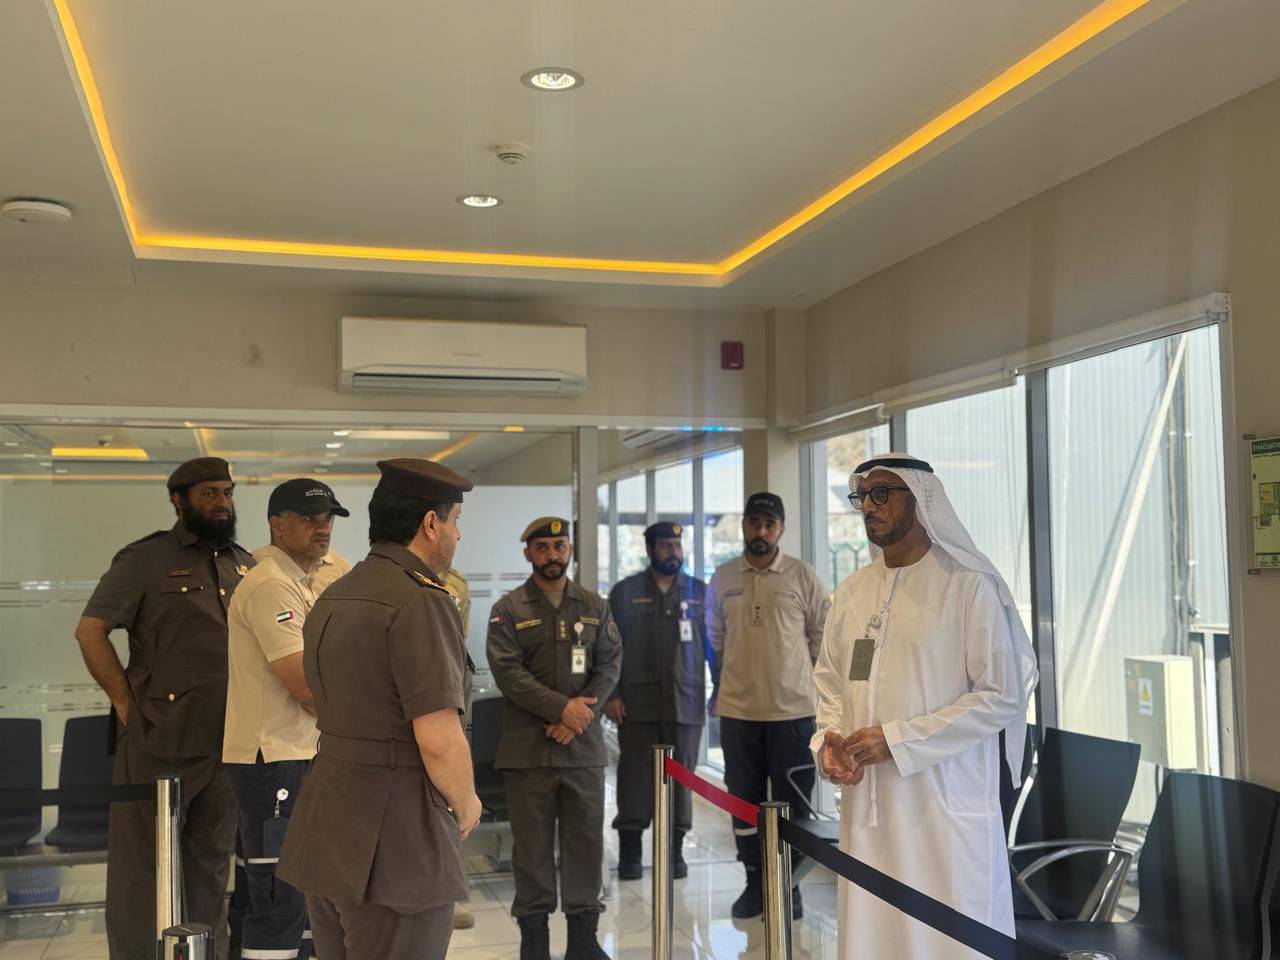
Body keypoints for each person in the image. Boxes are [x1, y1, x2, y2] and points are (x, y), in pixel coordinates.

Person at [811, 453, 1038, 960]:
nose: (869, 507)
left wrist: (897, 740)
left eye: (882, 494)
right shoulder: (851, 592)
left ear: (922, 499)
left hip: (943, 808)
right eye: (863, 497)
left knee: (949, 940)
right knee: (875, 936)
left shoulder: (967, 585)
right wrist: (827, 741)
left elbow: (1002, 694)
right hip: (868, 811)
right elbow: (830, 686)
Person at [276, 459, 482, 960]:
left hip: (329, 821)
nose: (458, 533)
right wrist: (467, 802)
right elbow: (438, 737)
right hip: (397, 839)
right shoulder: (421, 601)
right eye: (455, 520)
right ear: (430, 524)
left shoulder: (335, 593)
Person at [74, 456, 254, 960]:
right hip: (160, 739)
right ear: (179, 501)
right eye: (209, 493)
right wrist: (125, 705)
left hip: (225, 740)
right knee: (143, 873)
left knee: (211, 867)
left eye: (227, 492)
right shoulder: (145, 559)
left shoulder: (244, 564)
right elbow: (90, 632)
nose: (222, 502)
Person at [223, 479, 351, 960]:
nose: (323, 528)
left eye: (328, 518)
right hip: (274, 759)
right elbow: (307, 688)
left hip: (299, 753)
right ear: (277, 525)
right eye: (309, 519)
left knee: (302, 897)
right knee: (280, 902)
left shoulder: (304, 580)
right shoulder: (271, 584)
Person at [486, 517, 622, 960]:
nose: (552, 555)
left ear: (570, 550)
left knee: (586, 846)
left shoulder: (595, 606)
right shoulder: (509, 609)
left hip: (582, 750)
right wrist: (561, 708)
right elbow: (508, 673)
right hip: (529, 752)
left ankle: (583, 940)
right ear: (528, 553)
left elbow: (610, 664)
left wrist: (577, 717)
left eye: (559, 546)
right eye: (542, 547)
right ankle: (535, 942)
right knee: (532, 852)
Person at [708, 491, 829, 920]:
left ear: (781, 530)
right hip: (738, 713)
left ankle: (788, 887)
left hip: (793, 714)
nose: (760, 531)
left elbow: (821, 638)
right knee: (743, 802)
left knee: (794, 805)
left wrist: (811, 689)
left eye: (769, 524)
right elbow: (715, 638)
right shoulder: (723, 576)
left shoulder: (802, 575)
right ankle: (755, 881)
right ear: (743, 525)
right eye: (754, 522)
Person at [605, 521, 711, 881]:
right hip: (636, 705)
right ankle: (631, 852)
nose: (673, 552)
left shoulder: (699, 592)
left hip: (686, 703)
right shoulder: (625, 592)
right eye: (665, 546)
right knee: (634, 779)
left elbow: (718, 648)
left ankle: (674, 851)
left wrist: (721, 692)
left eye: (677, 546)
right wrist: (611, 694)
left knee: (681, 780)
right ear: (650, 549)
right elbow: (608, 650)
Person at [441, 565, 478, 933]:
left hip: (452, 689)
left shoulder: (457, 583)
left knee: (452, 805)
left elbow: (459, 642)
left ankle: (448, 898)